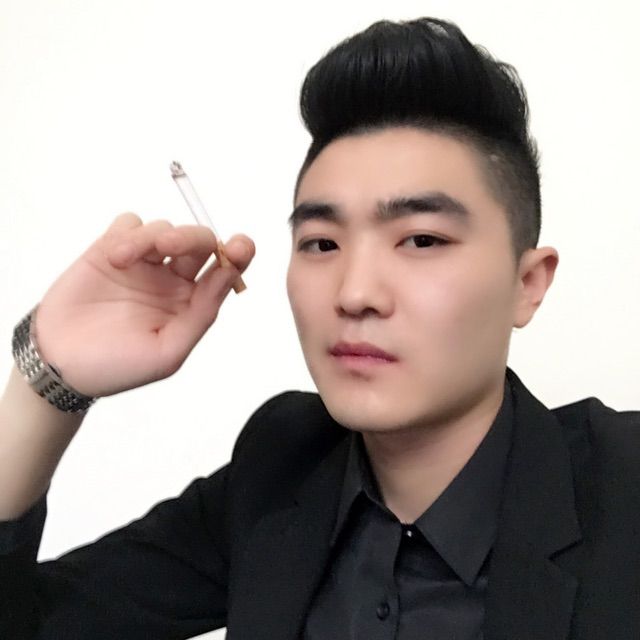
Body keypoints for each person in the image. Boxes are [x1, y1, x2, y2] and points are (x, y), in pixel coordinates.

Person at [1, 15, 638, 640]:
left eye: (421, 239)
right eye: (322, 243)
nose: (355, 294)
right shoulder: (283, 466)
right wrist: (45, 383)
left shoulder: (624, 490)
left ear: (528, 283)